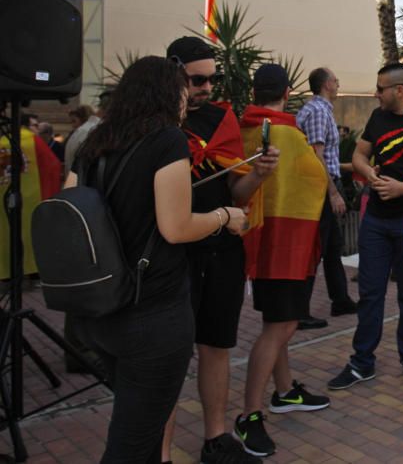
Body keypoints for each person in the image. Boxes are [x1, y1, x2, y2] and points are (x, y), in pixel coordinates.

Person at [68, 56, 248, 462]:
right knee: (131, 443)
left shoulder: (95, 143)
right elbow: (176, 227)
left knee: (136, 425)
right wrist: (225, 217)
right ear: (170, 95)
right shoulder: (167, 140)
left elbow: (71, 208)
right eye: (184, 91)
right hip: (150, 311)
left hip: (101, 309)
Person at [162, 36, 278, 464]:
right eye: (197, 79)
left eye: (213, 79)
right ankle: (162, 452)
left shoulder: (221, 118)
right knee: (170, 353)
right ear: (174, 71)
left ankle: (216, 438)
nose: (207, 87)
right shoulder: (157, 121)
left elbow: (238, 192)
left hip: (221, 247)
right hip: (174, 250)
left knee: (217, 344)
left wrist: (260, 174)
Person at [234, 64, 330, 457]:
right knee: (282, 325)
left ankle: (285, 391)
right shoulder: (286, 133)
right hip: (285, 242)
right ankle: (249, 414)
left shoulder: (245, 128)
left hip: (258, 240)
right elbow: (314, 178)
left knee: (277, 320)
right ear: (288, 92)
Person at [328, 63, 403, 391]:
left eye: (381, 87)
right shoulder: (377, 117)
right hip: (376, 223)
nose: (376, 92)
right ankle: (362, 362)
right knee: (370, 294)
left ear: (400, 90)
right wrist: (368, 174)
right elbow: (359, 155)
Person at [297, 67, 357, 328]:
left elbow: (327, 158)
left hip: (322, 183)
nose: (338, 83)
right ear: (325, 84)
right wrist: (333, 192)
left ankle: (340, 299)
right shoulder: (319, 111)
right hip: (319, 187)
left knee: (332, 246)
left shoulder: (319, 110)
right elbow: (315, 154)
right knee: (317, 246)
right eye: (335, 79)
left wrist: (349, 168)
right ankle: (298, 311)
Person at [64, 104, 101, 172]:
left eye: (74, 121)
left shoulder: (85, 132)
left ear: (84, 118)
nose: (73, 125)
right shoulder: (84, 131)